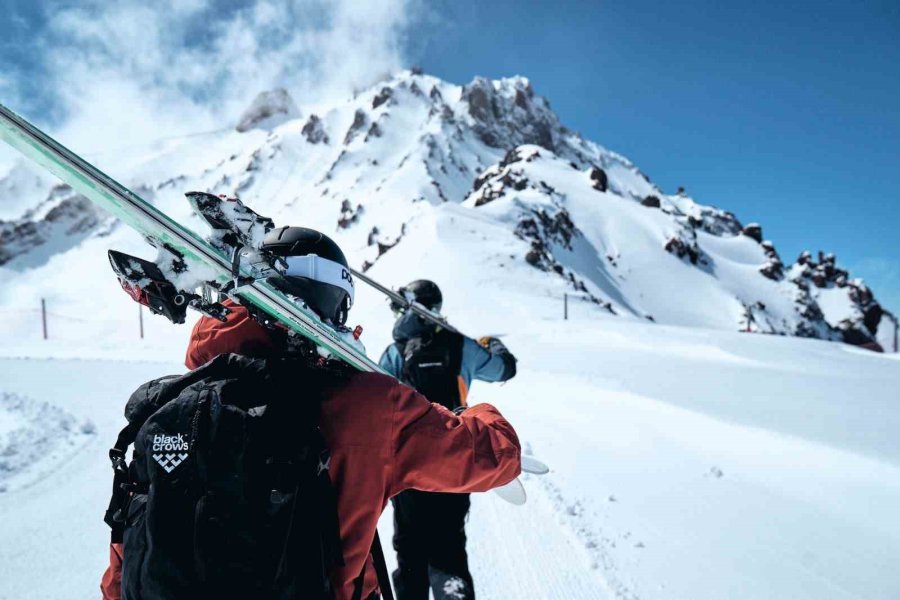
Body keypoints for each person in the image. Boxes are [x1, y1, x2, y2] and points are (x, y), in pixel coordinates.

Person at [100, 227, 521, 600]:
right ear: (333, 302)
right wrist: (480, 414)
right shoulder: (370, 405)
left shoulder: (167, 404)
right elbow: (492, 457)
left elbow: (128, 552)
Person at [379, 280, 517, 600]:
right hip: (456, 459)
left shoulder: (395, 351)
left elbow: (379, 397)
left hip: (409, 464)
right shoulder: (462, 346)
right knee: (449, 545)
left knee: (409, 549)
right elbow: (504, 370)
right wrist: (493, 344)